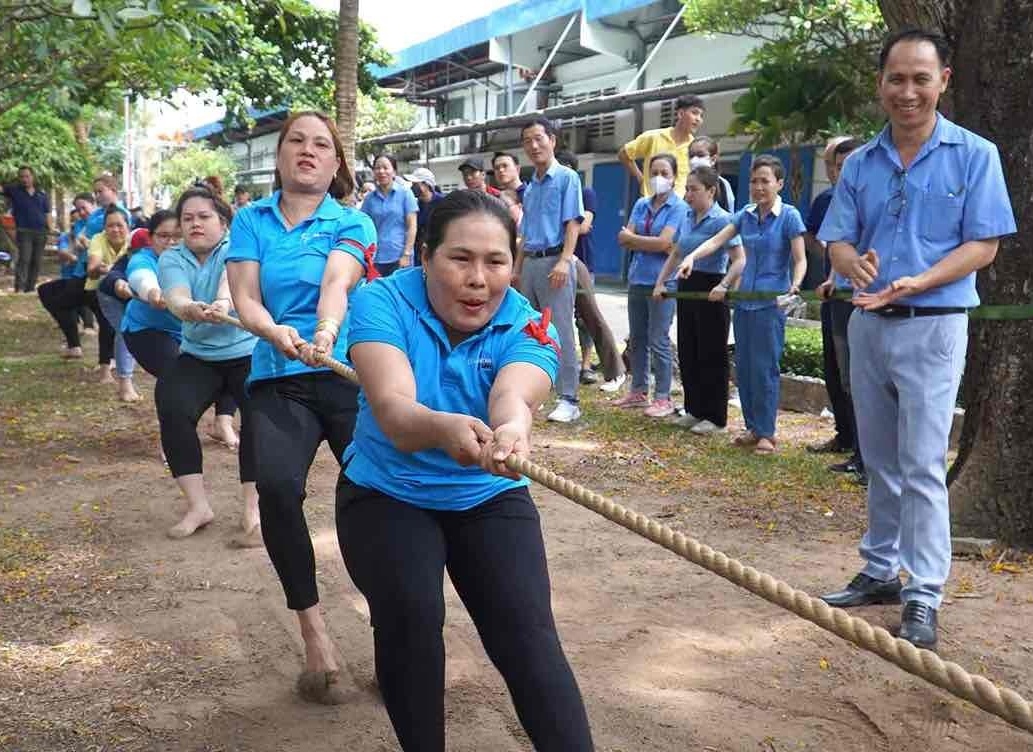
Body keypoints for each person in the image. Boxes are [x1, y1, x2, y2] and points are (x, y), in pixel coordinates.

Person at [338, 189, 594, 752]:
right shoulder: (380, 302)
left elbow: (515, 393)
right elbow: (396, 413)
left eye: (496, 261)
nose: (479, 278)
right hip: (387, 492)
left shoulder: (530, 325)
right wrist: (443, 427)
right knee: (411, 623)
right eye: (460, 258)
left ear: (514, 265)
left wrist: (512, 430)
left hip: (486, 494)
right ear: (424, 255)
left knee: (529, 640)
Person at [817, 28, 1016, 651]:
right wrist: (852, 265)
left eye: (920, 79)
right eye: (896, 79)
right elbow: (838, 238)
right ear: (881, 84)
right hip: (868, 324)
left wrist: (918, 281)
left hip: (934, 327)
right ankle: (879, 570)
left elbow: (983, 246)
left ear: (943, 82)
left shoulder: (975, 155)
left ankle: (923, 591)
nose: (908, 92)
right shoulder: (861, 164)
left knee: (923, 465)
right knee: (878, 462)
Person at [226, 110, 377, 704]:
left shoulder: (354, 220)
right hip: (276, 376)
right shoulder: (250, 220)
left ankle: (394, 629)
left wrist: (324, 328)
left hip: (346, 371)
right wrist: (273, 334)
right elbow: (245, 298)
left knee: (376, 492)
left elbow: (338, 281)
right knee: (278, 488)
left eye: (322, 145)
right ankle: (315, 635)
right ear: (281, 155)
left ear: (336, 164)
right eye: (297, 142)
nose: (308, 151)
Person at [678, 154, 806, 454]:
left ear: (779, 183)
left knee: (765, 368)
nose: (759, 187)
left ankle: (766, 432)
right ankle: (752, 426)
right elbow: (717, 241)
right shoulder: (745, 215)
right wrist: (691, 257)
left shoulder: (789, 216)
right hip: (743, 302)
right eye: (754, 181)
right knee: (745, 368)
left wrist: (795, 285)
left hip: (770, 303)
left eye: (765, 181)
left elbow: (800, 259)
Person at [156, 184, 259, 541]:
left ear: (224, 222)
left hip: (248, 352)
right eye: (187, 218)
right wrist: (188, 309)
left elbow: (231, 287)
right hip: (198, 356)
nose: (195, 224)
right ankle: (199, 506)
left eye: (204, 216)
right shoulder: (171, 257)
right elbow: (176, 296)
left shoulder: (238, 248)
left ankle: (253, 508)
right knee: (172, 405)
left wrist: (222, 303)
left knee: (260, 417)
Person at [122, 211, 240, 451]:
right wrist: (154, 293)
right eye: (163, 236)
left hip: (189, 334)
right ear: (150, 237)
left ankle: (223, 422)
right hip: (147, 330)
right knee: (174, 373)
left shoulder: (205, 256)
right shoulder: (145, 258)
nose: (171, 241)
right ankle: (173, 438)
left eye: (177, 235)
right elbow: (140, 277)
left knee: (233, 361)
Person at [654, 165, 744, 434]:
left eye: (694, 189)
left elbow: (739, 260)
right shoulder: (686, 217)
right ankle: (694, 409)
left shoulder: (723, 220)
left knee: (711, 353)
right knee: (689, 348)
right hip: (687, 284)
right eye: (687, 189)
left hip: (711, 287)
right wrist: (661, 281)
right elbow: (676, 253)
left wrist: (725, 285)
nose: (688, 194)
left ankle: (715, 416)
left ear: (711, 191)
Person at [514, 116, 585, 423]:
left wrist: (565, 260)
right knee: (530, 330)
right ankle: (535, 391)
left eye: (539, 138)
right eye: (527, 140)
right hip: (530, 261)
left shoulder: (568, 178)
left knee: (560, 330)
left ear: (553, 140)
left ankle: (569, 398)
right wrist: (516, 269)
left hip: (556, 261)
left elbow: (573, 223)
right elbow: (525, 234)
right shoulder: (530, 188)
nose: (533, 145)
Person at [613, 154, 685, 417]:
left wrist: (635, 239)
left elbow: (665, 243)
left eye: (664, 173)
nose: (659, 178)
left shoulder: (678, 207)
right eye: (654, 172)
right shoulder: (642, 204)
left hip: (663, 281)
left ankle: (663, 396)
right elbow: (623, 238)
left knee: (659, 339)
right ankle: (638, 390)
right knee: (639, 337)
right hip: (637, 277)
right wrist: (645, 240)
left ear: (674, 176)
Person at [813, 138, 867, 484]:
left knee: (865, 383)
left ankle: (868, 459)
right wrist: (833, 279)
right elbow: (836, 247)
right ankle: (857, 451)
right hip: (841, 302)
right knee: (848, 380)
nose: (844, 170)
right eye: (839, 164)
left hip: (868, 304)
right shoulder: (836, 203)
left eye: (851, 163)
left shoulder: (875, 201)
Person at [555, 151, 626, 391]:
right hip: (555, 263)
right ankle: (562, 368)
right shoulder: (554, 194)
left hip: (581, 261)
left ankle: (592, 366)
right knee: (558, 319)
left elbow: (583, 226)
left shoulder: (584, 193)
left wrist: (566, 226)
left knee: (588, 317)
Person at [806, 136, 856, 457]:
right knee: (835, 369)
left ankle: (864, 450)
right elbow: (815, 236)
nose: (839, 171)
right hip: (832, 295)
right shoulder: (827, 200)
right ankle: (844, 435)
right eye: (834, 165)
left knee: (858, 375)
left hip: (862, 300)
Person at [618, 94, 705, 198]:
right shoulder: (653, 137)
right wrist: (640, 179)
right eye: (695, 113)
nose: (698, 119)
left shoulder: (695, 148)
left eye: (701, 116)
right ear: (681, 114)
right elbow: (624, 154)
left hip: (681, 208)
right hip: (651, 205)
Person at [96, 228, 144, 402]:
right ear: (130, 251)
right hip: (109, 297)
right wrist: (119, 283)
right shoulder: (125, 263)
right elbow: (111, 277)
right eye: (137, 252)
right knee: (125, 331)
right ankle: (125, 385)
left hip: (132, 299)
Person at [361, 153, 417, 276]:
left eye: (386, 167)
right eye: (377, 168)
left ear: (394, 172)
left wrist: (406, 254)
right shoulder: (369, 199)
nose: (381, 171)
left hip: (400, 257)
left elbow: (412, 226)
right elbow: (363, 225)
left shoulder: (405, 194)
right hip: (376, 258)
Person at [2, 166, 51, 292]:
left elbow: (47, 213)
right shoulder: (14, 190)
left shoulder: (41, 194)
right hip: (24, 231)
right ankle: (20, 288)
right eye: (22, 176)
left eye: (27, 176)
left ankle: (30, 288)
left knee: (36, 261)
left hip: (41, 232)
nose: (24, 179)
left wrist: (50, 228)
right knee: (24, 259)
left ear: (33, 177)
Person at [405, 166, 444, 266]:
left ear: (426, 185)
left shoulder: (443, 202)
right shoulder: (415, 205)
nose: (412, 187)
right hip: (419, 253)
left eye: (415, 184)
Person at [688, 136, 735, 211]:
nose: (694, 159)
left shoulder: (722, 185)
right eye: (691, 156)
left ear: (713, 159)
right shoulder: (686, 182)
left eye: (700, 155)